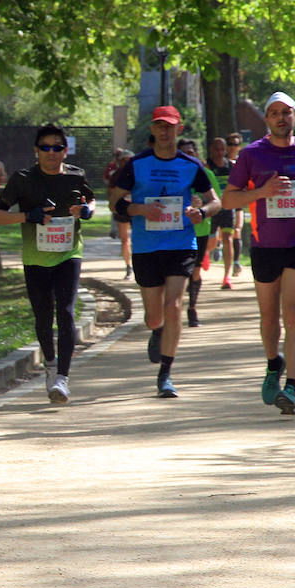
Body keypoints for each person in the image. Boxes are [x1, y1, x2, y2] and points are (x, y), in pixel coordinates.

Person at [221, 91, 295, 415]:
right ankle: (272, 365)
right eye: (275, 113)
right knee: (269, 317)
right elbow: (227, 200)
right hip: (265, 245)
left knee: (293, 315)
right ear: (267, 119)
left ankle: (291, 388)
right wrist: (262, 192)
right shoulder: (252, 155)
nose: (282, 118)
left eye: (287, 112)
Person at [108, 106, 220, 398]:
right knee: (154, 317)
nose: (164, 131)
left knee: (174, 307)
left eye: (169, 126)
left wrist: (202, 212)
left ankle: (166, 374)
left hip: (181, 244)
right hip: (146, 248)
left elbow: (215, 201)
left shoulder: (190, 165)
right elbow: (114, 202)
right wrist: (139, 209)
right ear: (153, 130)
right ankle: (157, 331)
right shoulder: (137, 164)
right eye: (159, 126)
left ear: (178, 129)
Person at [0, 124, 94, 404]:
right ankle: (50, 363)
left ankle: (62, 378)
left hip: (68, 253)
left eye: (57, 147)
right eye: (45, 147)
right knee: (43, 318)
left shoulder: (76, 176)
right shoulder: (23, 179)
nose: (51, 152)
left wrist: (86, 211)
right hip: (35, 257)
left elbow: (90, 201)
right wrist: (27, 216)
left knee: (67, 311)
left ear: (65, 150)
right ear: (36, 151)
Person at [179, 138, 221, 327]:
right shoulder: (174, 174)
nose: (189, 156)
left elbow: (216, 201)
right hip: (176, 230)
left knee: (195, 271)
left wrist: (202, 207)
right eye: (184, 153)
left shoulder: (206, 174)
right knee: (178, 273)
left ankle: (192, 308)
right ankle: (172, 310)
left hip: (200, 229)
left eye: (192, 152)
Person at [205, 137, 238, 289]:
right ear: (211, 150)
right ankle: (206, 252)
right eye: (216, 149)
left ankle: (226, 277)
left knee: (227, 239)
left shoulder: (232, 166)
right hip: (212, 209)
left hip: (227, 208)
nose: (219, 152)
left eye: (222, 149)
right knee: (211, 242)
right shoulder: (206, 166)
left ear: (225, 150)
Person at [103, 147, 133, 279]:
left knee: (139, 238)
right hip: (122, 210)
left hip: (138, 209)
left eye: (129, 160)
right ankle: (128, 266)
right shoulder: (115, 175)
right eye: (123, 160)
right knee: (124, 239)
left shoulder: (140, 173)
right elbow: (110, 193)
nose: (126, 163)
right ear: (119, 162)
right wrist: (114, 205)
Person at [225, 132, 247, 268]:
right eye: (231, 144)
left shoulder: (242, 162)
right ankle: (217, 247)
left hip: (239, 199)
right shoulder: (222, 162)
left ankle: (236, 262)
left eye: (236, 144)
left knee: (237, 229)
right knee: (224, 234)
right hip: (225, 200)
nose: (233, 147)